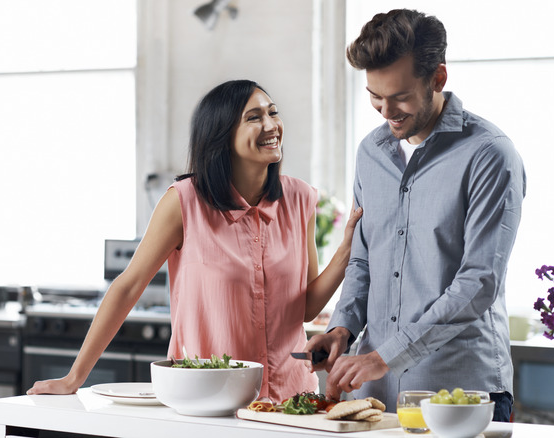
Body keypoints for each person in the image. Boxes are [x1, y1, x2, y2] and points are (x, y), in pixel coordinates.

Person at [27, 79, 363, 403]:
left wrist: (347, 250)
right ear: (221, 135)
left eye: (273, 113)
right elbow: (128, 286)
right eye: (254, 117)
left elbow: (304, 308)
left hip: (291, 400)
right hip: (207, 400)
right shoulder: (184, 202)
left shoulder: (299, 198)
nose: (271, 125)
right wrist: (74, 378)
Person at [303, 9, 525, 422]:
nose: (386, 111)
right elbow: (364, 259)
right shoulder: (371, 153)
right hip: (375, 392)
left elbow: (479, 283)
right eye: (374, 95)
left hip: (460, 392)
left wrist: (386, 355)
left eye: (400, 96)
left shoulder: (490, 155)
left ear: (438, 78)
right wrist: (343, 328)